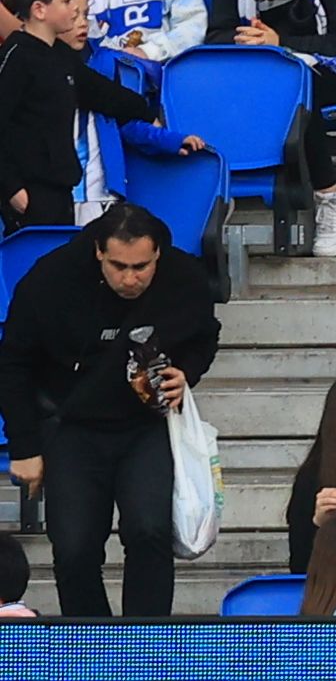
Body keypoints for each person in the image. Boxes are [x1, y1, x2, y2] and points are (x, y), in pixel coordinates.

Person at [0, 196, 220, 619]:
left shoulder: (183, 277)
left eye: (142, 267)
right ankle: (92, 644)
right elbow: (13, 364)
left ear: (158, 254)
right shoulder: (52, 278)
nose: (131, 278)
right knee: (75, 546)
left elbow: (205, 334)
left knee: (149, 531)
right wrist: (24, 445)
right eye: (119, 266)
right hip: (71, 424)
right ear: (99, 251)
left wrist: (185, 372)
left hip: (146, 423)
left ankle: (146, 641)